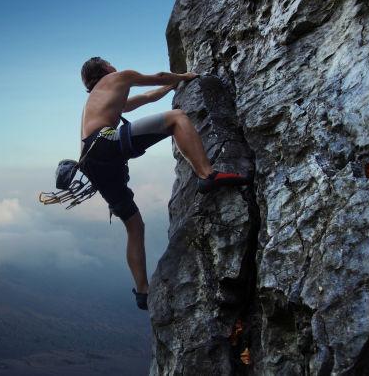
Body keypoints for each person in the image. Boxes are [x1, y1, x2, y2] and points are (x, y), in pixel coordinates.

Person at [78, 57, 251, 310]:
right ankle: (207, 174)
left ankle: (142, 291)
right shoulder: (117, 77)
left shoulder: (101, 99)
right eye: (108, 63)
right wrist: (183, 76)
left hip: (92, 162)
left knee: (134, 226)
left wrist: (171, 87)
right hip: (105, 143)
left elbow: (148, 97)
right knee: (177, 118)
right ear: (105, 69)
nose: (113, 65)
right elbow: (158, 75)